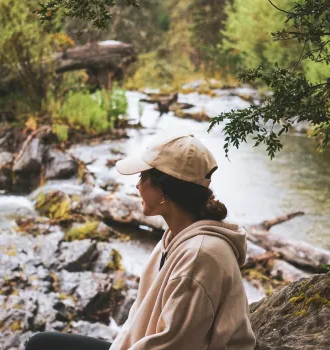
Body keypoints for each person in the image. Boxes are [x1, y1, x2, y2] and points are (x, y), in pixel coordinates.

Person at [25, 133, 256, 350]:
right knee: (41, 344)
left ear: (164, 189)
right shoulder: (174, 237)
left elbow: (174, 345)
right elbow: (138, 319)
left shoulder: (200, 256)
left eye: (142, 177)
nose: (137, 185)